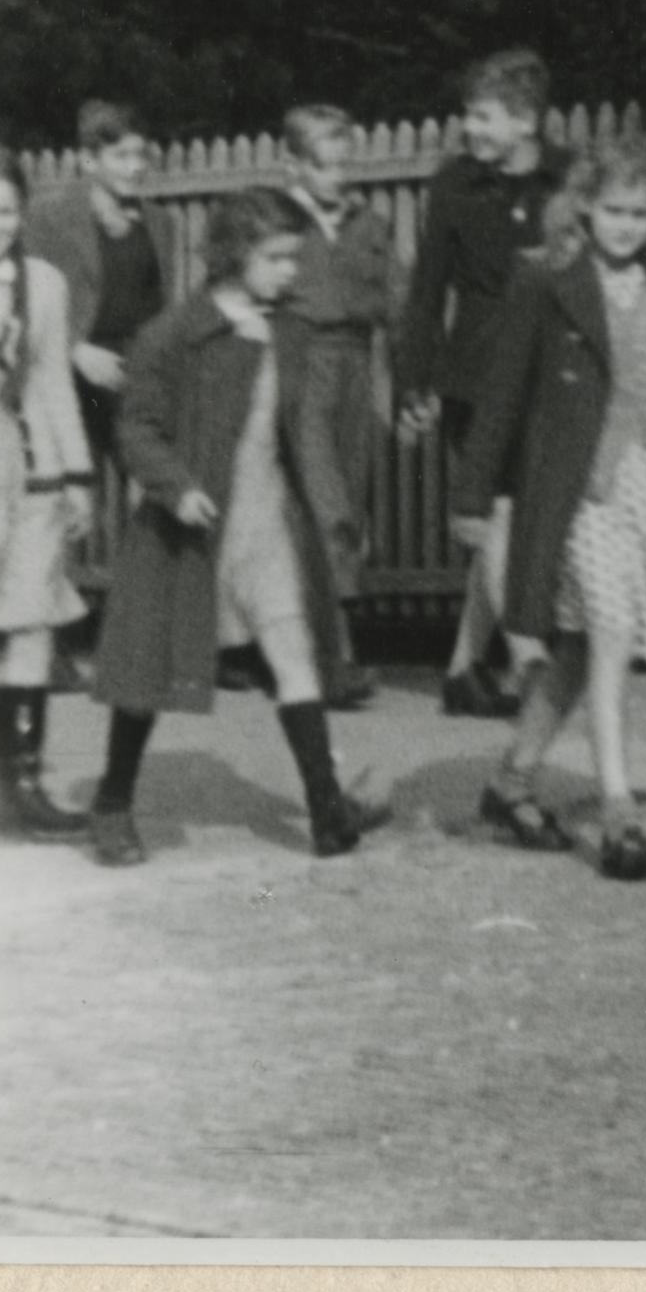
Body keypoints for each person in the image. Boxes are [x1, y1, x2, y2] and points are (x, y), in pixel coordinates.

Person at [455, 143, 646, 881]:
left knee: (582, 653)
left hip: (637, 483)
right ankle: (619, 815)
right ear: (584, 206)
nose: (625, 225)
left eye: (640, 213)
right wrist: (472, 495)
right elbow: (503, 394)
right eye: (613, 210)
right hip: (568, 487)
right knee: (611, 634)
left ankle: (511, 782)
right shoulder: (544, 280)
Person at [82, 187, 389, 867]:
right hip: (187, 535)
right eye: (277, 257)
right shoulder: (174, 333)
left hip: (266, 527)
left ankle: (326, 807)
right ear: (232, 254)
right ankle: (112, 803)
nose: (290, 272)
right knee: (147, 674)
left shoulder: (289, 331)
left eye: (295, 258)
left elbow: (294, 433)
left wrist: (328, 514)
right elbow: (137, 426)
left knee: (293, 653)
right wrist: (176, 485)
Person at [396, 50, 572, 717]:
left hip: (550, 374)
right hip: (475, 378)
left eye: (483, 115)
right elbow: (426, 291)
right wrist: (415, 384)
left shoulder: (568, 180)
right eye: (467, 112)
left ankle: (463, 669)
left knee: (517, 519)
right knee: (499, 515)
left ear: (526, 120)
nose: (468, 126)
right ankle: (529, 653)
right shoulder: (452, 186)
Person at [0, 144, 98, 837]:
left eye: (5, 209)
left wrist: (76, 474)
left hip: (31, 472)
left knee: (32, 620)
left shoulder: (41, 281)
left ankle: (21, 786)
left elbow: (51, 381)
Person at [25, 99, 168, 683]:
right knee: (61, 509)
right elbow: (31, 303)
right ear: (90, 158)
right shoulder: (51, 217)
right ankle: (48, 645)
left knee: (151, 496)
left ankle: (140, 636)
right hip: (68, 374)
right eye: (121, 154)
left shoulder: (158, 222)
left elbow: (161, 307)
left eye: (142, 154)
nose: (136, 166)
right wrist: (76, 351)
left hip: (132, 375)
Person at [272, 107, 404, 711]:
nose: (338, 177)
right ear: (293, 165)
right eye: (325, 166)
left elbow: (397, 306)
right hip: (300, 364)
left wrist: (409, 384)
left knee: (346, 508)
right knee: (325, 511)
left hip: (357, 366)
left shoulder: (371, 225)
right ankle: (332, 662)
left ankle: (319, 652)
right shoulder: (274, 222)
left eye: (345, 164)